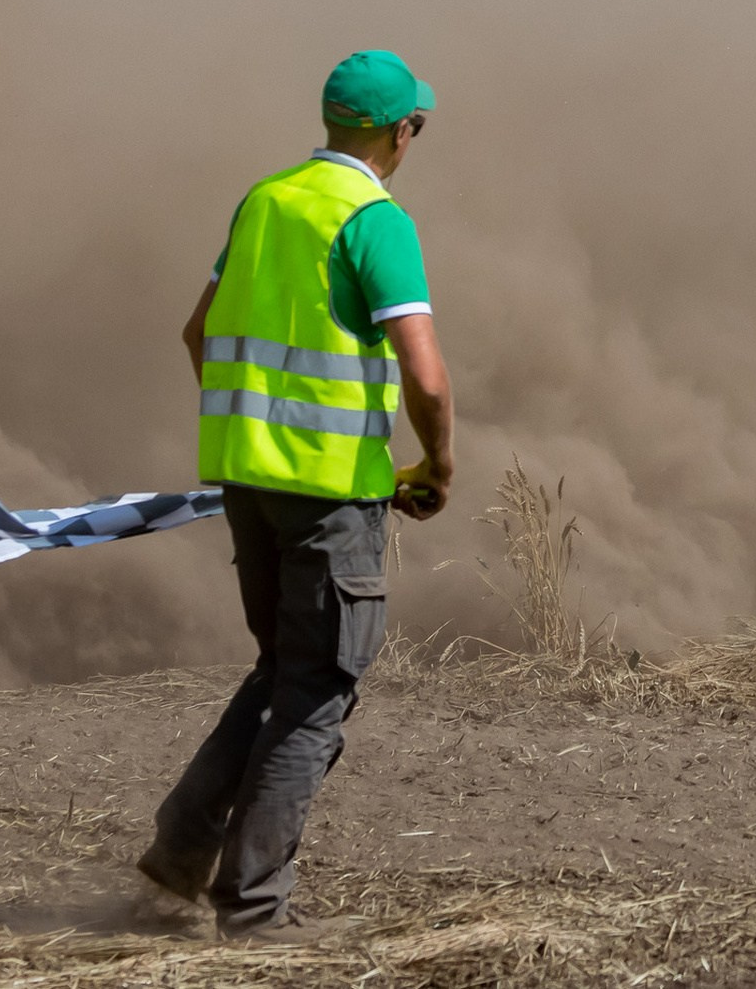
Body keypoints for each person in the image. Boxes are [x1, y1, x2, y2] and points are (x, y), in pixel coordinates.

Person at [137, 49, 456, 941]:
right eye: (415, 127)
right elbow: (424, 376)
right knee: (316, 692)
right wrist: (438, 467)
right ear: (402, 131)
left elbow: (198, 330)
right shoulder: (375, 218)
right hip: (330, 497)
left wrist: (252, 435)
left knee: (281, 670)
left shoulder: (264, 200)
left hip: (248, 483)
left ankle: (178, 851)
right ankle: (255, 908)